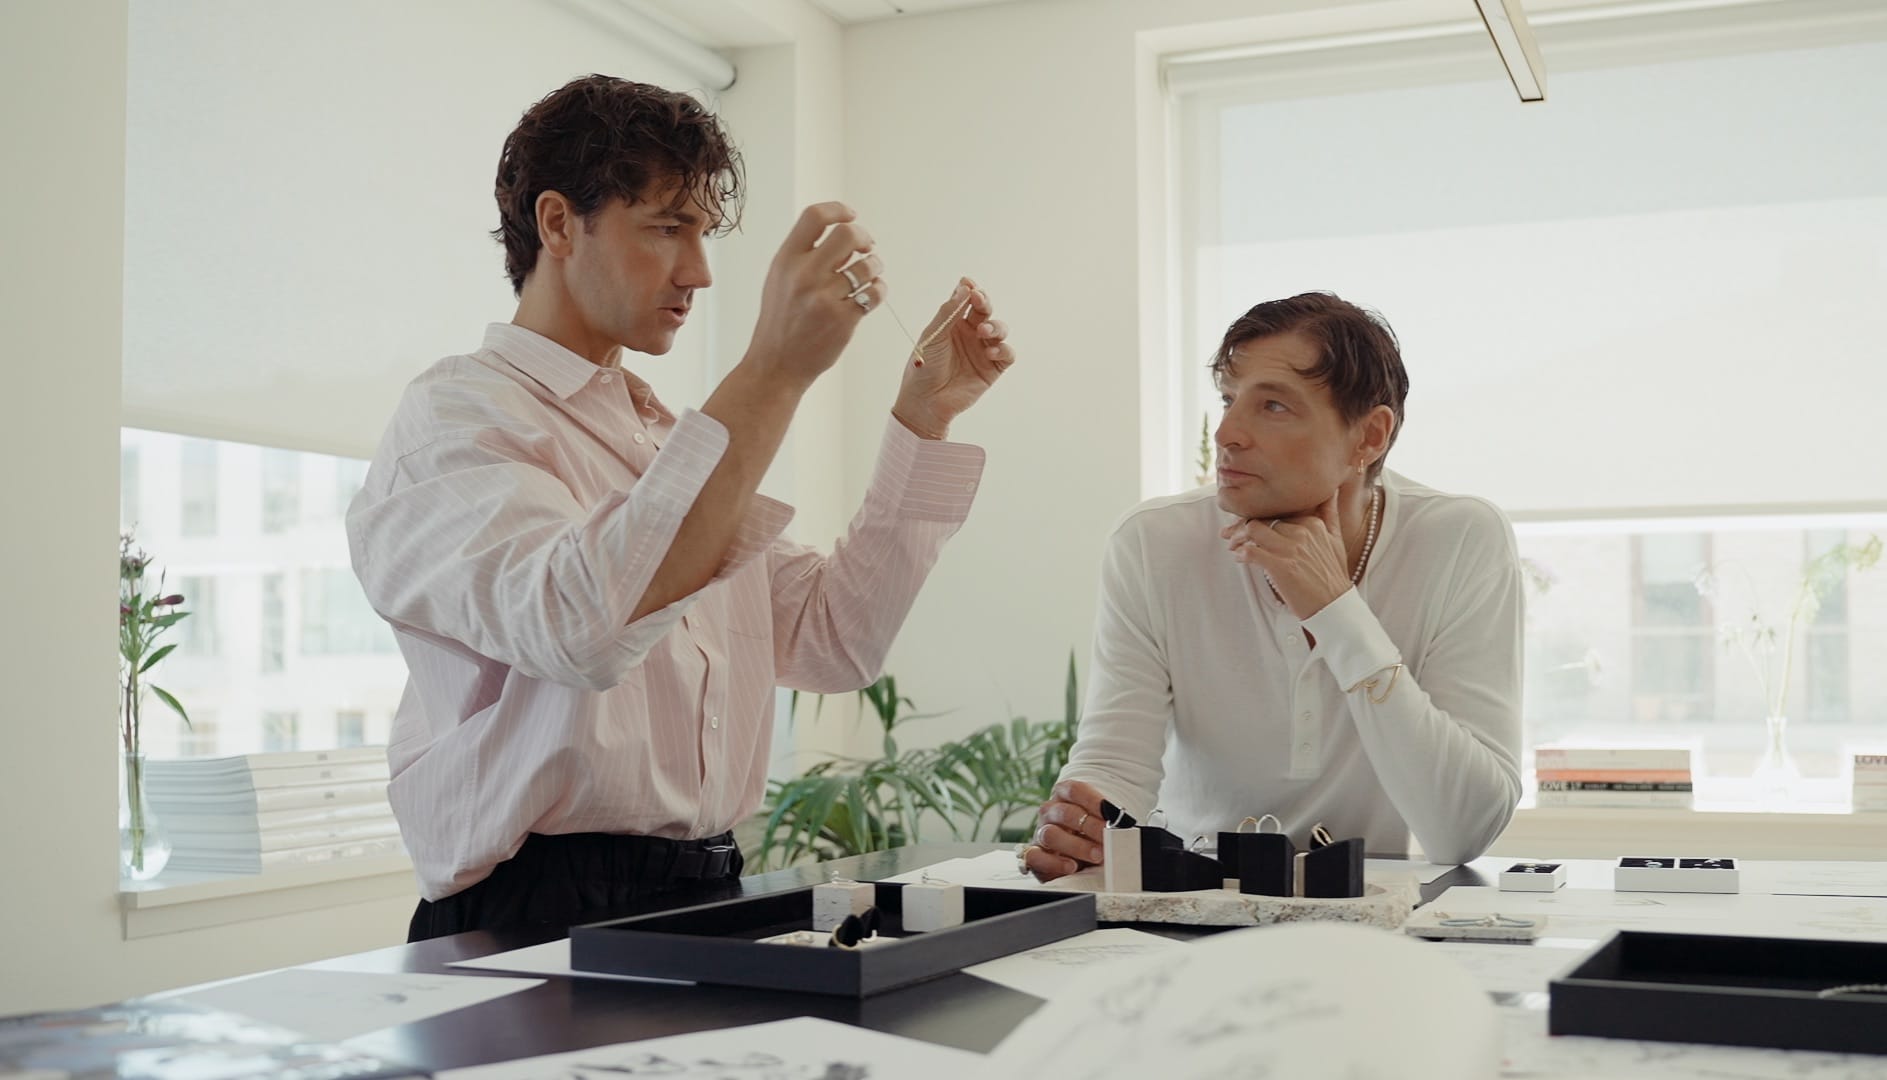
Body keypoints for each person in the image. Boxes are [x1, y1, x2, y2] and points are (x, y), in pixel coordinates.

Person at [346, 75, 1015, 939]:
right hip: (532, 908)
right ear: (557, 224)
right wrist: (774, 368)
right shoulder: (456, 419)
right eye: (667, 227)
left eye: (701, 232)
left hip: (712, 886)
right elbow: (582, 621)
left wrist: (924, 418)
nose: (698, 271)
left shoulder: (667, 442)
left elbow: (834, 637)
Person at [1021, 292, 1519, 881]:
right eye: (1229, 400)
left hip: (1368, 916)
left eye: (1273, 406)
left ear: (1369, 438)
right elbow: (1114, 769)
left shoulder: (1460, 538)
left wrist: (1337, 610)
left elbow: (1462, 830)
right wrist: (1079, 828)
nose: (1228, 433)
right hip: (1190, 908)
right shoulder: (1153, 542)